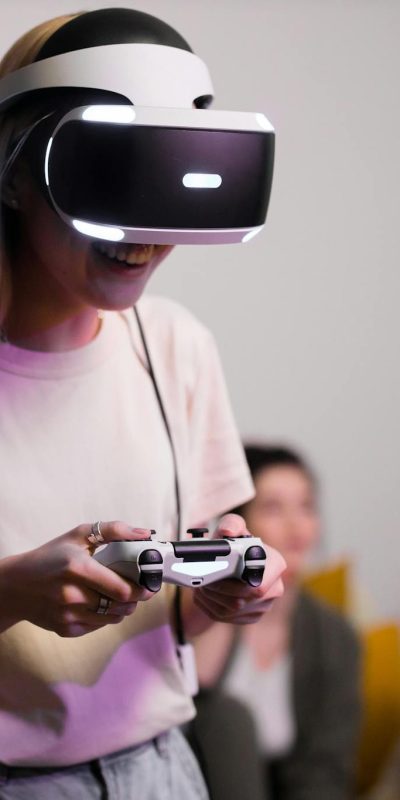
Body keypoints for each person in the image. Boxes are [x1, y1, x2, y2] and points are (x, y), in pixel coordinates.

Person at [0, 9, 286, 800]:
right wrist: (9, 595)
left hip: (161, 770)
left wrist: (226, 590)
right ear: (18, 176)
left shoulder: (177, 345)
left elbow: (181, 631)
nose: (141, 236)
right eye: (111, 175)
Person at [189, 444, 362, 800]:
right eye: (273, 508)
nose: (296, 526)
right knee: (226, 717)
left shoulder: (335, 637)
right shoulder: (202, 608)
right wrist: (226, 586)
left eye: (306, 507)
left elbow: (326, 767)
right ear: (241, 522)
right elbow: (193, 702)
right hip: (198, 785)